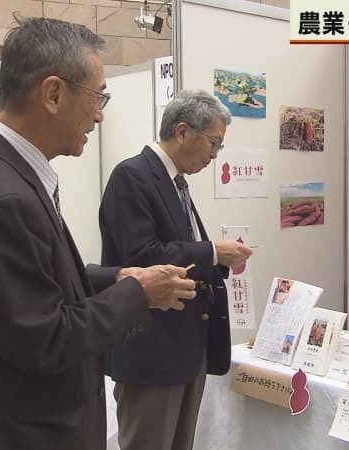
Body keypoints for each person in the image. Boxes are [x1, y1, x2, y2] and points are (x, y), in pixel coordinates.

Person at [0, 17, 197, 450]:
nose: (101, 114)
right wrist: (139, 293)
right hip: (11, 431)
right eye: (98, 96)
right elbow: (45, 338)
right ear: (53, 93)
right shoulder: (4, 200)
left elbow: (28, 282)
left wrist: (115, 276)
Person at [99, 90, 252, 450]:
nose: (215, 155)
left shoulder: (176, 182)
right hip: (152, 350)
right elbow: (144, 256)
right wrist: (213, 252)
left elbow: (181, 249)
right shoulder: (132, 176)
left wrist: (218, 259)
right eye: (213, 143)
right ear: (183, 131)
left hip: (186, 348)